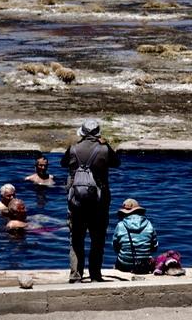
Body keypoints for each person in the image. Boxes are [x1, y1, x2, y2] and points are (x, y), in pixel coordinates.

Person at [60, 118, 120, 283]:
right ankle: (95, 275)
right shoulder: (104, 150)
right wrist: (106, 145)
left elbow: (63, 163)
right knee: (97, 240)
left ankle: (76, 276)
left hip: (76, 202)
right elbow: (117, 163)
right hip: (99, 203)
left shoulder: (73, 149)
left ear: (83, 132)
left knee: (76, 239)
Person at [112, 198, 158, 274]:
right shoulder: (149, 224)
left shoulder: (120, 225)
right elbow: (154, 247)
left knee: (118, 260)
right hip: (144, 264)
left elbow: (115, 247)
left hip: (125, 264)